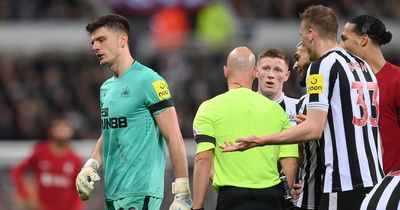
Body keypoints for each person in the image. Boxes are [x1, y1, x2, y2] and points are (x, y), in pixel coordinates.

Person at [222, 5, 384, 210]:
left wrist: (260, 140)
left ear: (310, 33)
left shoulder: (321, 66)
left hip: (343, 183)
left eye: (301, 34)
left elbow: (313, 129)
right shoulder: (363, 67)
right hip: (374, 179)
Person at [75, 14, 191, 210]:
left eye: (101, 40)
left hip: (140, 192)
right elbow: (110, 132)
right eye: (93, 42)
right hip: (113, 193)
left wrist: (182, 193)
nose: (95, 47)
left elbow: (174, 136)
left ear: (122, 40)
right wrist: (91, 164)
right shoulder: (106, 88)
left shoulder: (150, 81)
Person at [192, 46, 298, 210]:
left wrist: (197, 207)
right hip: (271, 197)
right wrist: (284, 197)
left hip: (231, 198)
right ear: (255, 72)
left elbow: (203, 159)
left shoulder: (209, 108)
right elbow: (290, 161)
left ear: (226, 71)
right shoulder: (276, 111)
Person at [340, 15, 400, 174]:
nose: (340, 46)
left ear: (363, 40)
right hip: (358, 183)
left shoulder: (397, 80)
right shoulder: (348, 82)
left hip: (391, 184)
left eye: (344, 39)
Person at [255, 48, 299, 209]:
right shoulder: (243, 106)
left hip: (291, 197)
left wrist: (306, 184)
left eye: (277, 69)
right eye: (266, 68)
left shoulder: (299, 107)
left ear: (286, 75)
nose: (271, 75)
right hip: (253, 192)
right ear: (256, 72)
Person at [10, 117, 84, 210]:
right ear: (52, 130)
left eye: (65, 128)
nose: (62, 131)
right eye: (59, 127)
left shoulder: (75, 159)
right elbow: (17, 171)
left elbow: (79, 190)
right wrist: (24, 193)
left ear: (71, 132)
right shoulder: (40, 152)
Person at [292, 42, 322, 210]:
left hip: (337, 192)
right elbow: (303, 158)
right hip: (307, 197)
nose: (295, 64)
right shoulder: (302, 102)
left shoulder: (337, 93)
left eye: (298, 58)